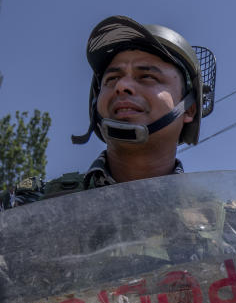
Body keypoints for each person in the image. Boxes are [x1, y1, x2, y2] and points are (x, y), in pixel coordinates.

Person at [2, 15, 214, 208]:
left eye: (147, 76)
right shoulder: (29, 203)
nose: (122, 86)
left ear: (190, 109)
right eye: (112, 78)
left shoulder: (228, 225)